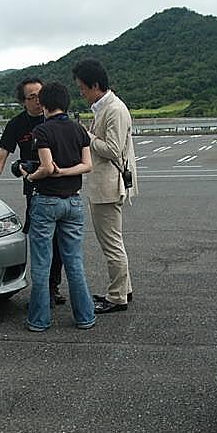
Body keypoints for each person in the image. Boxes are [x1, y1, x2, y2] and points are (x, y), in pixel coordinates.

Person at [0, 78, 66, 305]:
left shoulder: (56, 118)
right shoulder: (17, 124)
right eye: (32, 97)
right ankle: (43, 291)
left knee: (59, 243)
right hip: (35, 190)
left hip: (60, 187)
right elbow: (1, 157)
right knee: (41, 242)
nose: (38, 100)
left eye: (40, 94)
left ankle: (52, 287)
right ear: (23, 102)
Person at [20, 82, 95, 331]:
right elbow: (87, 165)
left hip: (46, 202)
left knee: (42, 263)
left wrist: (29, 176)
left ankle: (39, 320)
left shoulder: (42, 131)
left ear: (44, 104)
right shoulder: (79, 129)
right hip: (73, 202)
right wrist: (65, 171)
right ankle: (85, 317)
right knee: (74, 260)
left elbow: (47, 168)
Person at [72, 59, 138, 314]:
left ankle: (117, 296)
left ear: (95, 85)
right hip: (105, 184)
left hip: (109, 186)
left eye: (82, 88)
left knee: (111, 243)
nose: (81, 93)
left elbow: (113, 149)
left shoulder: (114, 109)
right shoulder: (105, 108)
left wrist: (86, 137)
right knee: (113, 240)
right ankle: (123, 289)